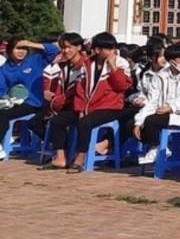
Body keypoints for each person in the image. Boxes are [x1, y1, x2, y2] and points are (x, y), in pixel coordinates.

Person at [43, 33, 133, 173]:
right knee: (57, 120)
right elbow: (80, 89)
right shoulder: (87, 64)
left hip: (110, 107)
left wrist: (113, 67)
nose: (111, 52)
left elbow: (122, 86)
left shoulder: (121, 63)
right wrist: (80, 109)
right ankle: (61, 157)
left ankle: (80, 159)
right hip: (87, 107)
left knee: (85, 123)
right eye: (107, 49)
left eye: (112, 48)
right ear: (97, 50)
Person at [132, 44, 180, 164]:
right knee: (140, 123)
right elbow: (153, 101)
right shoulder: (160, 76)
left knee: (152, 121)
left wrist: (171, 108)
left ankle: (157, 148)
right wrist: (139, 121)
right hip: (161, 111)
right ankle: (158, 148)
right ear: (172, 62)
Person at [0, 37, 61, 159]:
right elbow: (1, 89)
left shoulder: (35, 60)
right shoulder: (5, 68)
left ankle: (57, 147)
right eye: (18, 48)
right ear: (10, 50)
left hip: (35, 102)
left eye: (24, 48)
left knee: (3, 115)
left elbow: (54, 50)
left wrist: (31, 44)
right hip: (15, 102)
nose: (21, 51)